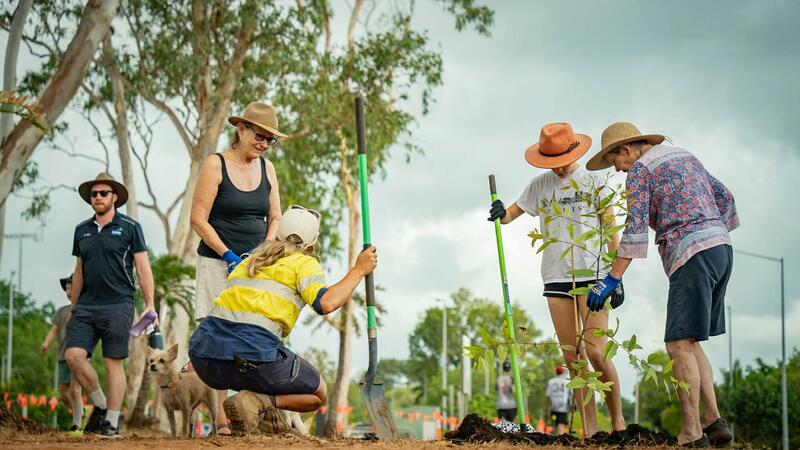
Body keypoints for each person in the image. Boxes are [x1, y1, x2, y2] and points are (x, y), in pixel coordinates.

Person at [586, 122, 738, 447]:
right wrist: (710, 230)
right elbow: (725, 197)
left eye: (614, 159)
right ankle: (713, 422)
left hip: (691, 254)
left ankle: (691, 432)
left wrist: (612, 278)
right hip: (721, 250)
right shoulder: (684, 155)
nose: (615, 167)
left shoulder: (639, 170)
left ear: (626, 149)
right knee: (692, 343)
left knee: (677, 346)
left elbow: (635, 226)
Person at [188, 205, 378, 435]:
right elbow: (326, 303)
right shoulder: (303, 262)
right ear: (312, 245)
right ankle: (258, 403)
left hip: (204, 357)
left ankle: (257, 415)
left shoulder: (251, 259)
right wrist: (359, 269)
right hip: (252, 354)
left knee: (252, 363)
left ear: (278, 234)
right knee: (318, 394)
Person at [488, 123, 626, 435]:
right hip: (555, 277)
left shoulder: (594, 181)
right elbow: (512, 213)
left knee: (595, 351)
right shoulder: (540, 185)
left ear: (573, 150)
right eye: (551, 162)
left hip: (593, 276)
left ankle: (617, 419)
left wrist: (616, 276)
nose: (559, 167)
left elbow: (611, 230)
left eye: (562, 159)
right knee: (572, 357)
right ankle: (589, 430)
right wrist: (500, 212)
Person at [190, 102, 285, 435]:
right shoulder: (216, 164)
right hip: (218, 261)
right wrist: (229, 254)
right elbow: (198, 219)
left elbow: (275, 216)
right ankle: (220, 421)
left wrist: (264, 250)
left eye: (270, 140)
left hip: (256, 266)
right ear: (242, 129)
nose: (263, 144)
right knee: (218, 338)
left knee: (257, 334)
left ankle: (257, 414)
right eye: (259, 136)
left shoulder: (268, 169)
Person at [64, 172, 156, 438]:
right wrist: (73, 306)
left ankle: (111, 422)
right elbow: (78, 270)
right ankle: (101, 404)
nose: (99, 197)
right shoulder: (81, 230)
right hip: (85, 306)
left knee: (113, 362)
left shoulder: (129, 227)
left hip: (119, 304)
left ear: (114, 197)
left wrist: (149, 304)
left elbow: (143, 267)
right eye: (94, 194)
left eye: (104, 193)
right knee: (74, 357)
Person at [40, 275, 83, 434]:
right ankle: (81, 413)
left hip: (79, 356)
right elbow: (54, 330)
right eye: (67, 288)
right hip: (62, 356)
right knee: (64, 394)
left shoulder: (83, 309)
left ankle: (77, 425)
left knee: (75, 390)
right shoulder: (61, 312)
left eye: (72, 287)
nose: (69, 291)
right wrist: (46, 343)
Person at [546, 365, 571, 435]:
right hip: (563, 406)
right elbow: (570, 395)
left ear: (556, 372)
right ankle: (560, 437)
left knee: (555, 423)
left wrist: (547, 409)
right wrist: (571, 405)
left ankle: (555, 437)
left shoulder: (551, 381)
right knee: (561, 422)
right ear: (562, 372)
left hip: (553, 405)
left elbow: (548, 395)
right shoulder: (566, 381)